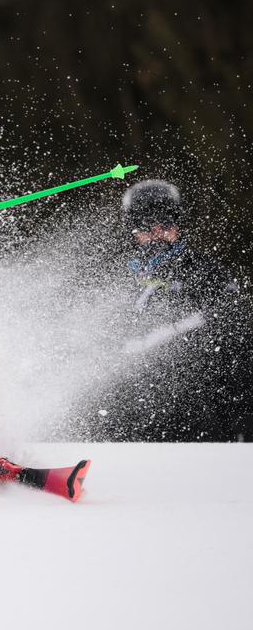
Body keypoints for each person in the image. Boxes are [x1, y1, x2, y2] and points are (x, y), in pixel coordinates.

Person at [93, 179, 250, 440]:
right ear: (132, 231)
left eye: (165, 223)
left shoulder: (206, 273)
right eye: (145, 225)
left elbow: (235, 347)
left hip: (195, 430)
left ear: (178, 226)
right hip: (124, 431)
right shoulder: (113, 279)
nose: (157, 232)